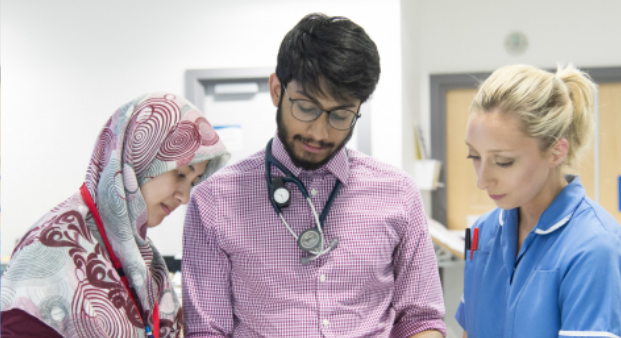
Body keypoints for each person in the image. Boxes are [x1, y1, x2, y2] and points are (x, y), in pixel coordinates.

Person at [182, 13, 446, 338]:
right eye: (306, 108)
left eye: (341, 115)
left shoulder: (398, 193)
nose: (319, 132)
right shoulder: (213, 201)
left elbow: (421, 320)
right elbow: (206, 331)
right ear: (277, 90)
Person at [1, 92, 230, 338]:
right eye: (181, 174)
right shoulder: (48, 251)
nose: (184, 198)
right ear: (138, 158)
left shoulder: (140, 255)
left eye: (193, 182)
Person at [456, 65, 621, 337]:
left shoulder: (595, 246)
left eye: (503, 162)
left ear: (556, 152)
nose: (482, 181)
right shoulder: (480, 232)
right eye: (473, 156)